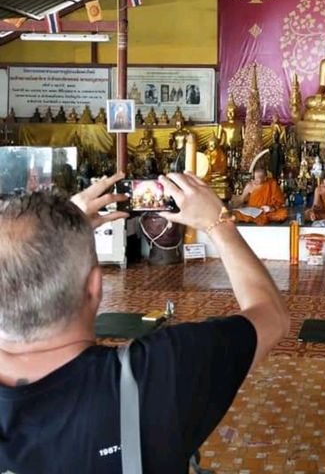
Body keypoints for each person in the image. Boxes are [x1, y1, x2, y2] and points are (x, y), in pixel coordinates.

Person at [0, 172, 289, 473]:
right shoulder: (162, 371)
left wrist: (52, 236)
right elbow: (272, 315)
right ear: (95, 287)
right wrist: (218, 223)